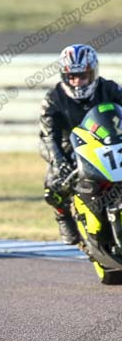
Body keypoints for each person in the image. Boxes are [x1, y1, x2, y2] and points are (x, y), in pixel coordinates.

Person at [40, 43, 122, 244]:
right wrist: (58, 161)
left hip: (108, 142)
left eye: (82, 76)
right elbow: (49, 136)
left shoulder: (110, 88)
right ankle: (63, 217)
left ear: (93, 74)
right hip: (69, 146)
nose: (77, 82)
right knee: (53, 186)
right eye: (71, 77)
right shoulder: (53, 99)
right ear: (64, 76)